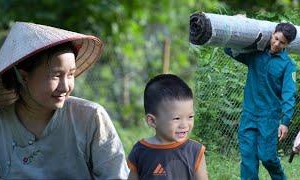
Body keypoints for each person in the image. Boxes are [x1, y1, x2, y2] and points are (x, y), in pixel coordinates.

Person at [0, 22, 129, 179]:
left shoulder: (90, 118)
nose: (65, 86)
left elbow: (115, 175)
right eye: (56, 75)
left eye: (71, 74)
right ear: (24, 77)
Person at [224, 22, 297, 179]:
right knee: (248, 157)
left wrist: (285, 121)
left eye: (282, 42)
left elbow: (289, 94)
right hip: (249, 114)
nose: (276, 44)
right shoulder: (255, 55)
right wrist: (235, 24)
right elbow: (229, 50)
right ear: (272, 34)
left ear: (287, 44)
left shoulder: (288, 66)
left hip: (269, 117)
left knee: (267, 156)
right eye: (276, 38)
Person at [127, 74, 208, 180]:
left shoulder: (195, 151)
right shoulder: (140, 151)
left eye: (190, 117)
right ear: (152, 121)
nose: (184, 125)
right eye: (177, 119)